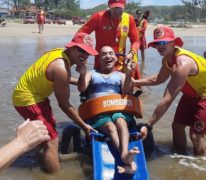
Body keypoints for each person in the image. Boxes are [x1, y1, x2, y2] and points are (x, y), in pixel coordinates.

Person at [12, 32, 98, 173]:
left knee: (45, 131)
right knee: (52, 140)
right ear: (71, 48)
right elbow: (64, 105)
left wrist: (82, 74)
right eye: (81, 50)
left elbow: (61, 78)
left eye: (88, 52)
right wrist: (84, 125)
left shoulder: (59, 52)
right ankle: (53, 174)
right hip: (28, 100)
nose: (85, 55)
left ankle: (39, 156)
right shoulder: (61, 68)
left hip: (30, 94)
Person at [134, 26, 206, 155]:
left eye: (164, 42)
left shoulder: (182, 63)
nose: (160, 46)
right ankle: (180, 157)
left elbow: (168, 99)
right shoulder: (167, 59)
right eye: (157, 43)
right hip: (191, 93)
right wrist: (134, 82)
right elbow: (159, 79)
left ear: (173, 42)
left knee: (195, 135)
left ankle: (201, 164)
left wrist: (148, 125)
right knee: (177, 126)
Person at [77, 46, 145, 173]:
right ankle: (125, 156)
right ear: (99, 59)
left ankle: (125, 154)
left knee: (120, 120)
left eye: (111, 53)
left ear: (115, 58)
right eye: (103, 54)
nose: (108, 56)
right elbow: (81, 88)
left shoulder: (121, 75)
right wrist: (82, 74)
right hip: (98, 112)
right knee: (110, 127)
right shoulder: (91, 74)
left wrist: (129, 73)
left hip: (118, 109)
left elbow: (126, 91)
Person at [78, 0, 141, 81]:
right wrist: (83, 55)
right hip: (100, 65)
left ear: (124, 5)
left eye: (120, 8)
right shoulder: (98, 17)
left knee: (127, 88)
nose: (117, 11)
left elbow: (136, 40)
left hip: (120, 64)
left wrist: (132, 53)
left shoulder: (129, 19)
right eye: (114, 8)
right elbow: (80, 34)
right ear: (108, 5)